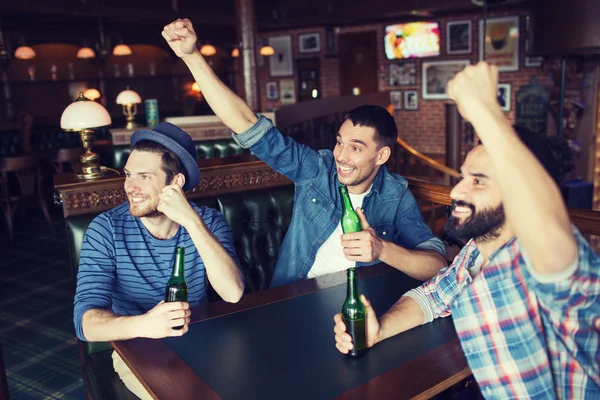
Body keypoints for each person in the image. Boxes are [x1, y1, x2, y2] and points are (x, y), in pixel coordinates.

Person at [334, 62, 600, 398]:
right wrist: (380, 329)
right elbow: (431, 297)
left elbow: (547, 226)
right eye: (463, 177)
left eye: (479, 182)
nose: (457, 191)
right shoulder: (475, 254)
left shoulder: (546, 261)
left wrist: (486, 110)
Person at [161, 18, 447, 288]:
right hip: (296, 298)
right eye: (339, 142)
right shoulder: (317, 169)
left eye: (356, 148)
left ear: (381, 156)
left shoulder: (396, 195)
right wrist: (191, 57)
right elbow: (248, 125)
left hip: (359, 302)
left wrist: (382, 249)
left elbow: (436, 264)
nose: (342, 156)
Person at [73, 122, 244, 399]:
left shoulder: (208, 222)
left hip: (203, 339)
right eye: (128, 175)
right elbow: (85, 323)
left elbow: (233, 292)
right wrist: (144, 324)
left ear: (175, 183)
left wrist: (191, 222)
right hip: (138, 349)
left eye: (144, 176)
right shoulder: (106, 229)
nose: (130, 187)